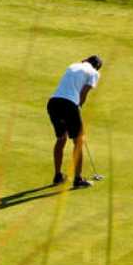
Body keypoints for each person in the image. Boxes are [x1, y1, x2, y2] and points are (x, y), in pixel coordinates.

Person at [47, 55, 103, 189]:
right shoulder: (94, 73)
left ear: (86, 60)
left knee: (61, 138)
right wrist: (79, 105)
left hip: (53, 103)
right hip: (69, 105)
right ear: (97, 66)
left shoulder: (72, 65)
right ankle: (78, 179)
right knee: (78, 141)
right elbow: (84, 93)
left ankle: (58, 176)